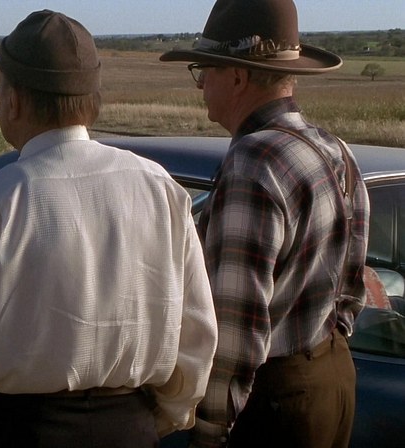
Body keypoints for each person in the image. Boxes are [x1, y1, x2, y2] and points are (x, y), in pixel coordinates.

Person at [0, 10, 218, 448]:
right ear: (91, 100)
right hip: (130, 431)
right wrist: (150, 422)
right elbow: (198, 338)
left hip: (21, 435)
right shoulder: (161, 191)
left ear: (13, 100)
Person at [159, 1, 370, 447]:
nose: (201, 86)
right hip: (332, 374)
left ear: (238, 77)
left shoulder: (253, 162)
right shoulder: (334, 148)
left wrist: (210, 431)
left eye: (204, 71)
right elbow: (352, 286)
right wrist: (321, 353)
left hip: (274, 398)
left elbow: (236, 329)